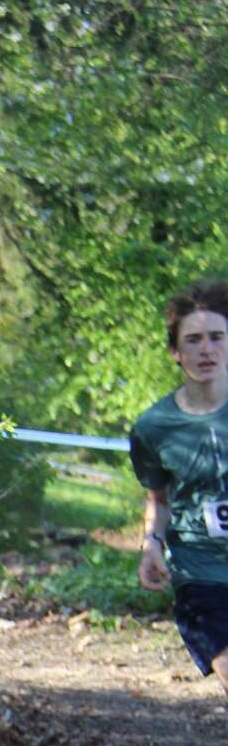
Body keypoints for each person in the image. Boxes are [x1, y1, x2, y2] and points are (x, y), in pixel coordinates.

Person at [131, 280, 228, 696]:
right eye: (193, 340)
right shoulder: (154, 427)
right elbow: (158, 499)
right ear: (175, 351)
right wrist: (151, 545)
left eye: (217, 337)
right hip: (200, 570)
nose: (206, 349)